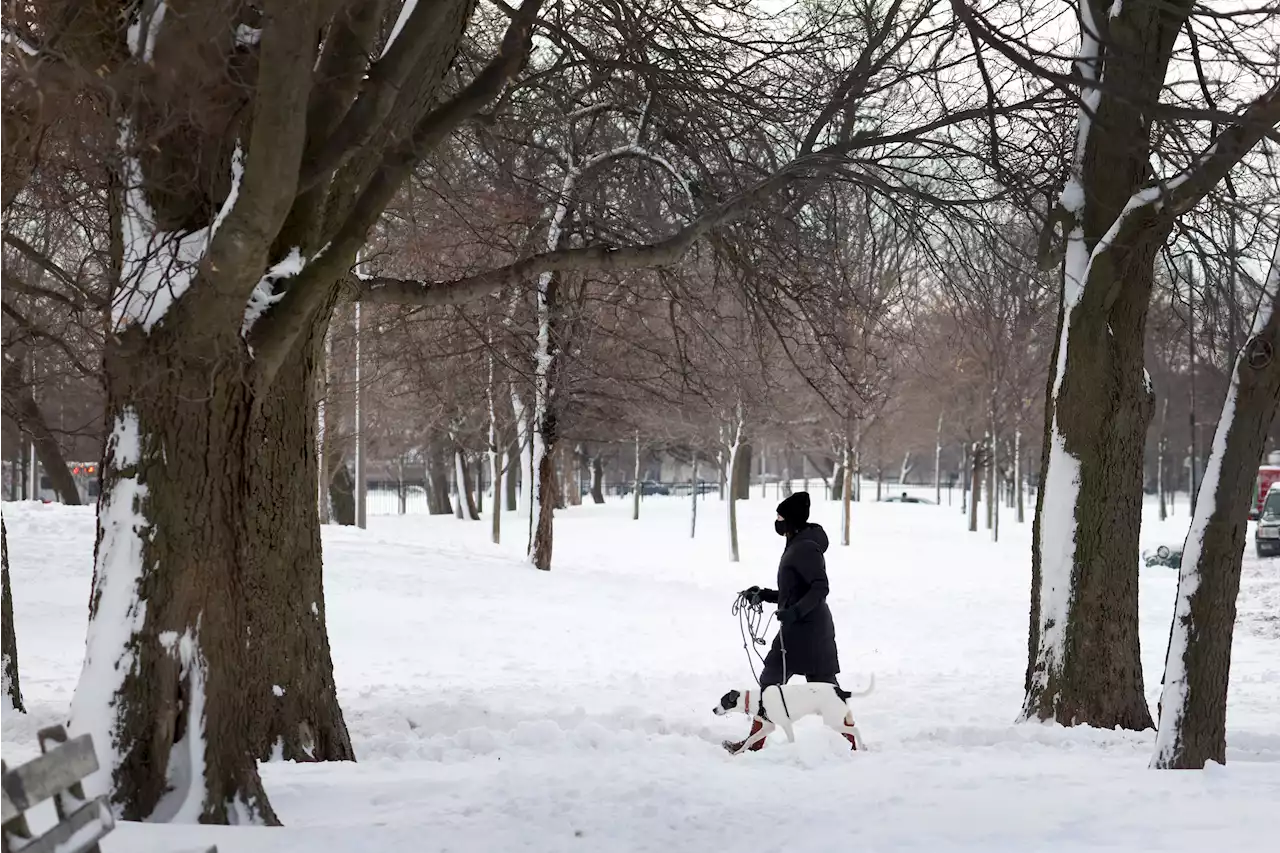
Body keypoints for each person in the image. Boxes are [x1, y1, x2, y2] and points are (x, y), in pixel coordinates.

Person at [724, 491, 856, 753]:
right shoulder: (797, 542)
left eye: (780, 516)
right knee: (772, 684)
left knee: (822, 691)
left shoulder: (805, 547)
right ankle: (756, 743)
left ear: (791, 520)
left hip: (810, 632)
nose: (777, 521)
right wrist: (763, 594)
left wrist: (795, 612)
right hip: (798, 631)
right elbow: (794, 590)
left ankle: (852, 744)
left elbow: (820, 588)